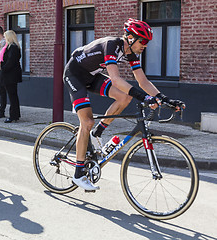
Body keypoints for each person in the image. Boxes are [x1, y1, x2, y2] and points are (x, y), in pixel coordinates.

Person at [63, 18, 185, 191]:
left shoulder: (131, 53)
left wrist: (164, 99)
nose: (145, 45)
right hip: (74, 75)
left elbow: (142, 80)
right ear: (130, 37)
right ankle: (78, 174)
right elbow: (116, 79)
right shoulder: (111, 45)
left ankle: (97, 133)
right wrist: (144, 98)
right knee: (87, 122)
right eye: (143, 41)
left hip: (92, 76)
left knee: (124, 98)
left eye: (147, 42)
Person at [0, 30, 22, 123]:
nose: (4, 38)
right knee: (13, 96)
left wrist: (3, 68)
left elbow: (11, 61)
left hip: (10, 75)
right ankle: (15, 115)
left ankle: (13, 116)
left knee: (12, 96)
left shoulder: (13, 47)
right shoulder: (12, 47)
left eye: (5, 36)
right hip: (11, 75)